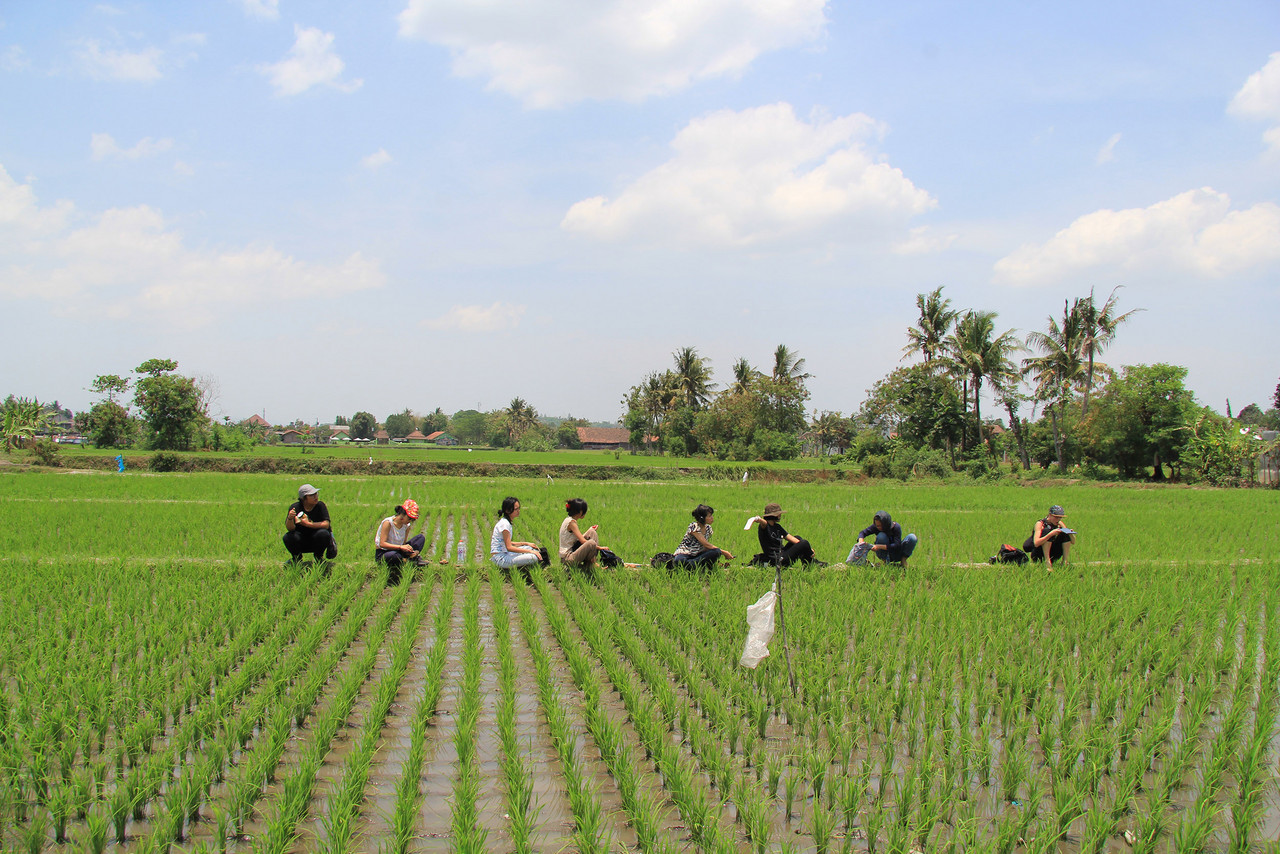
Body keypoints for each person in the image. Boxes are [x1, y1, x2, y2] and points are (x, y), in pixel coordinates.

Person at [747, 502, 823, 567]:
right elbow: (764, 523)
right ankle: (812, 563)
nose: (780, 516)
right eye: (779, 514)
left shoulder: (777, 527)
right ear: (774, 515)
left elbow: (793, 539)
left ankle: (809, 563)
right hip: (777, 559)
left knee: (799, 538)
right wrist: (758, 519)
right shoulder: (764, 527)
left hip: (782, 553)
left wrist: (808, 549)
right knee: (804, 543)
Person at [374, 499, 428, 584]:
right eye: (409, 518)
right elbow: (382, 544)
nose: (409, 521)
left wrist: (406, 548)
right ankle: (409, 560)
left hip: (398, 550)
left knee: (420, 538)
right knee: (395, 555)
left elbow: (403, 542)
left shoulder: (406, 526)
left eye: (412, 519)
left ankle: (411, 557)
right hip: (384, 553)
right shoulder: (388, 523)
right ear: (402, 514)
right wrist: (400, 547)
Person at [283, 483, 337, 563]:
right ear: (304, 498)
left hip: (316, 540)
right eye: (312, 495)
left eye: (316, 494)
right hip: (301, 540)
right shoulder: (295, 507)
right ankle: (297, 558)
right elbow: (290, 528)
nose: (316, 497)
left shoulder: (320, 506)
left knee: (323, 533)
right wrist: (290, 518)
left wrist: (308, 524)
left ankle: (318, 557)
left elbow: (326, 525)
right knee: (288, 537)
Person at [490, 497, 546, 570]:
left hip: (505, 553)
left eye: (519, 508)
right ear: (508, 510)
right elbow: (509, 547)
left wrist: (527, 543)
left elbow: (508, 543)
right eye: (516, 509)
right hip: (500, 558)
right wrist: (530, 551)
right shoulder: (505, 525)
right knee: (533, 557)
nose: (518, 511)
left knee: (531, 548)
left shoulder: (506, 522)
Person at [673, 504, 734, 569]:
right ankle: (698, 565)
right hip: (686, 554)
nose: (712, 518)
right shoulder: (694, 527)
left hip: (698, 554)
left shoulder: (708, 528)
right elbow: (706, 544)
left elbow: (705, 547)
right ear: (702, 518)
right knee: (679, 560)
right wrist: (725, 553)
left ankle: (694, 565)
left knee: (716, 552)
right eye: (710, 516)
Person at [852, 510, 917, 568]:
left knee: (912, 537)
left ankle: (903, 560)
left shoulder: (896, 527)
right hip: (883, 553)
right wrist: (861, 542)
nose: (878, 527)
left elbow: (897, 545)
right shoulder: (876, 527)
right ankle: (885, 561)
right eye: (877, 525)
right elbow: (862, 533)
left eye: (880, 525)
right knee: (881, 536)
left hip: (896, 552)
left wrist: (878, 546)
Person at [559, 498, 609, 570]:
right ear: (580, 512)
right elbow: (583, 541)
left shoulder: (568, 520)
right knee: (591, 543)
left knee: (592, 532)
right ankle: (592, 564)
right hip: (568, 558)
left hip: (572, 552)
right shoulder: (571, 522)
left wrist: (590, 530)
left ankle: (591, 563)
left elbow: (577, 539)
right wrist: (600, 547)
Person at [1023, 504, 1075, 570]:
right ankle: (1047, 562)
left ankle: (1065, 561)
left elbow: (1073, 542)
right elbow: (1036, 543)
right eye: (1056, 517)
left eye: (1060, 517)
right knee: (1046, 531)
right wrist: (1050, 534)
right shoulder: (1040, 524)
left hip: (1053, 553)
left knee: (1064, 533)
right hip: (1039, 554)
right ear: (1050, 515)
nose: (1058, 519)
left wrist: (1070, 534)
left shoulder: (1060, 523)